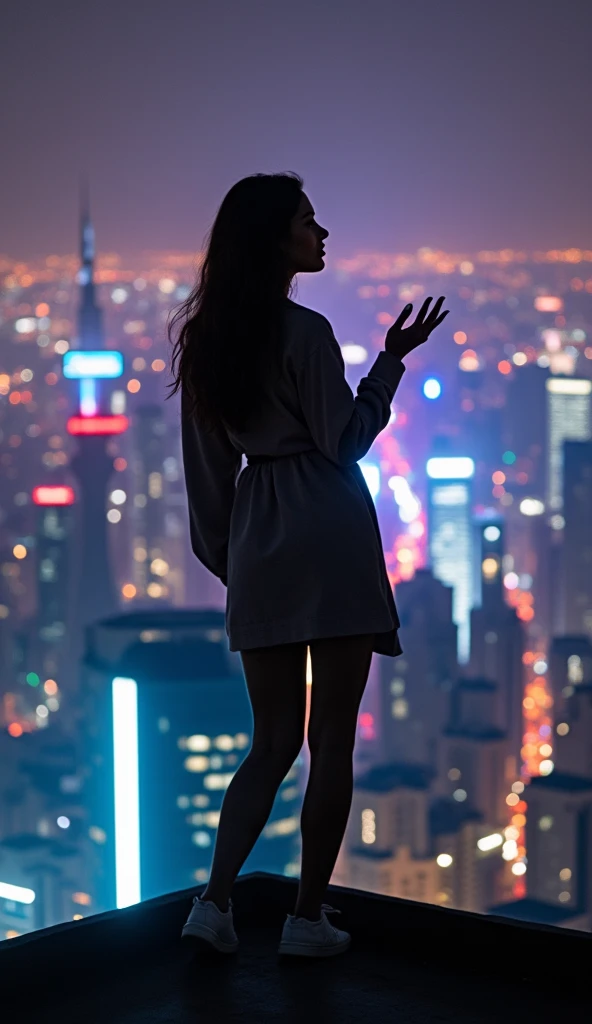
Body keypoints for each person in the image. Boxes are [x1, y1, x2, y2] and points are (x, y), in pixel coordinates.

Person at [167, 172, 448, 957]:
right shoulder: (306, 331)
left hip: (260, 540)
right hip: (329, 531)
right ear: (275, 240)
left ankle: (213, 905)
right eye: (307, 222)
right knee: (332, 741)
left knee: (270, 742)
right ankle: (305, 919)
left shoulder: (208, 340)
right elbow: (347, 439)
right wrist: (389, 364)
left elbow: (206, 479)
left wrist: (243, 564)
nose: (321, 234)